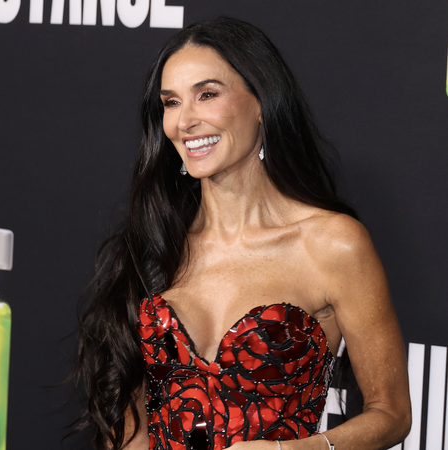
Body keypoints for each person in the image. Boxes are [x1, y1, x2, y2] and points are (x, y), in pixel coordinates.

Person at [76, 17, 411, 450]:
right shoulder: (156, 242)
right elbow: (131, 426)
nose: (184, 121)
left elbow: (392, 413)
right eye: (171, 103)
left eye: (207, 95)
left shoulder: (333, 244)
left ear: (262, 102)